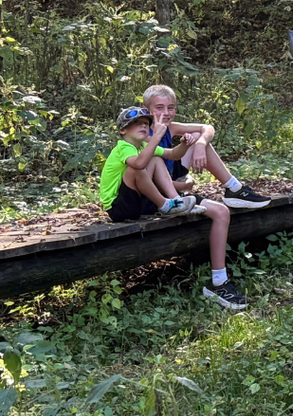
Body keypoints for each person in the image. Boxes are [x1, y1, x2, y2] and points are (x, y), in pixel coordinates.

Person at [99, 106, 249, 310]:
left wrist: (184, 144)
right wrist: (156, 136)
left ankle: (171, 202)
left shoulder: (143, 147)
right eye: (136, 123)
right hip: (118, 207)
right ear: (122, 130)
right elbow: (139, 164)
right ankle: (166, 205)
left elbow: (172, 154)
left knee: (155, 158)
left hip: (135, 203)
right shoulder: (124, 147)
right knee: (140, 166)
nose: (143, 126)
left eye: (145, 123)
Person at [141, 84, 270, 210]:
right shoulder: (142, 134)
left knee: (197, 135)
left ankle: (234, 188)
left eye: (170, 108)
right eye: (159, 108)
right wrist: (184, 185)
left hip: (171, 176)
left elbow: (207, 128)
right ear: (146, 110)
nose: (166, 113)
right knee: (219, 212)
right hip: (156, 192)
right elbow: (153, 180)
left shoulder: (171, 127)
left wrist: (201, 144)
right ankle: (233, 189)